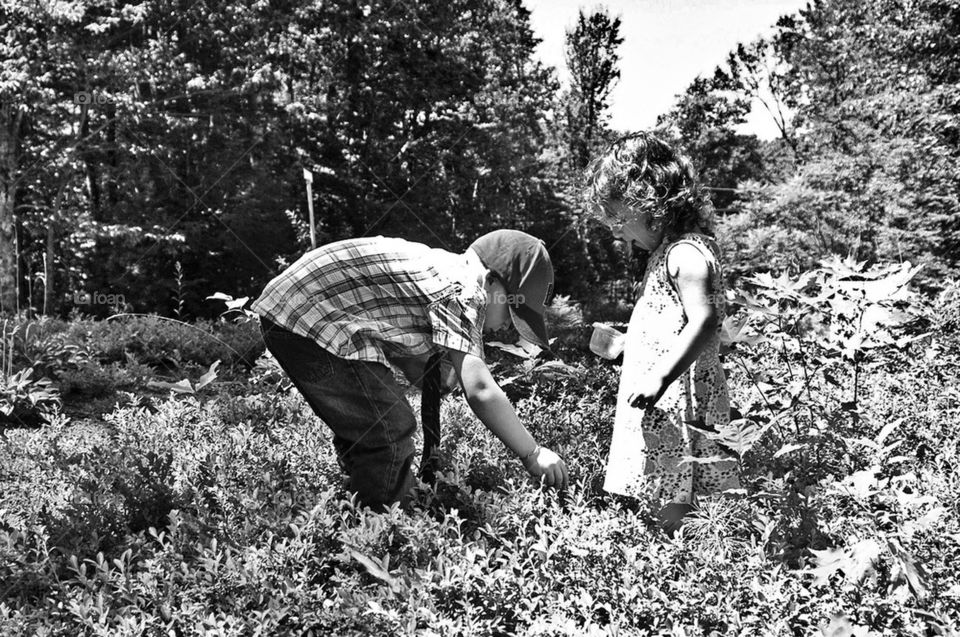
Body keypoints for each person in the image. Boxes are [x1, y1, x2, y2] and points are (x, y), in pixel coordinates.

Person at [251, 229, 569, 510]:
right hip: (308, 319)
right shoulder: (464, 289)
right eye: (511, 312)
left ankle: (360, 504)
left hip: (298, 314)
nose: (504, 328)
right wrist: (532, 452)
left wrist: (432, 373)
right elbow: (482, 392)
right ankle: (381, 535)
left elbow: (400, 345)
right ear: (491, 281)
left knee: (372, 423)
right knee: (390, 430)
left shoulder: (439, 271)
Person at [584, 131, 739, 531]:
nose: (616, 232)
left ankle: (680, 552)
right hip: (663, 396)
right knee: (664, 477)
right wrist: (626, 344)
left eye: (619, 218)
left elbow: (703, 320)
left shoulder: (686, 253)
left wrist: (659, 376)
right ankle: (667, 548)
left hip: (678, 394)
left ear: (653, 203)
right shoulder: (662, 256)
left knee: (679, 479)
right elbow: (672, 322)